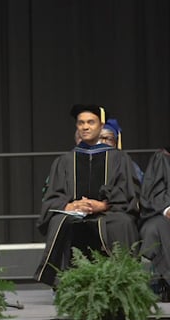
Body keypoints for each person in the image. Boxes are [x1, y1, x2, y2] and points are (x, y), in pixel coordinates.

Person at [33, 104, 141, 288]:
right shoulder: (64, 161)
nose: (85, 127)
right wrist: (70, 206)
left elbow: (129, 193)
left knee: (124, 223)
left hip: (109, 213)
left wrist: (103, 205)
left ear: (101, 126)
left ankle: (122, 283)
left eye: (91, 122)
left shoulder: (119, 159)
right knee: (58, 221)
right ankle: (65, 283)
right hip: (75, 214)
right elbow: (52, 195)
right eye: (81, 123)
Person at [138, 147, 170, 301]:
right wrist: (167, 208)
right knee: (155, 228)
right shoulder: (163, 157)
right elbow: (153, 192)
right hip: (164, 213)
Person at [99, 118, 144, 184]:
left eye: (107, 138)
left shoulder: (126, 164)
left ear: (115, 143)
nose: (102, 142)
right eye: (99, 139)